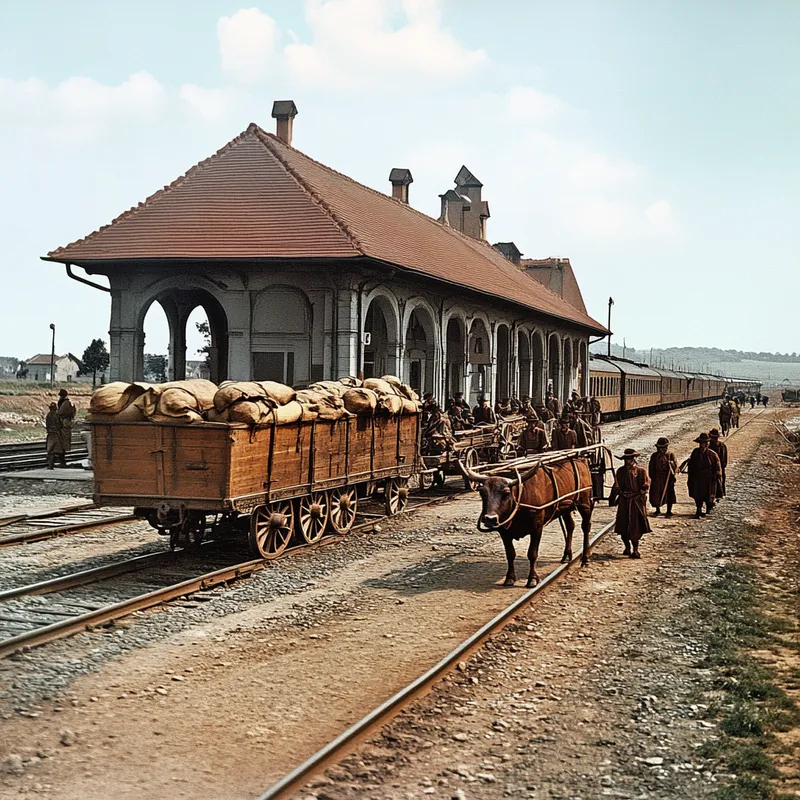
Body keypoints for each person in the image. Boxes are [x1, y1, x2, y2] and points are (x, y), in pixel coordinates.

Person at [608, 448, 651, 558]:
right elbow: (616, 486)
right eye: (627, 459)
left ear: (634, 459)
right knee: (623, 525)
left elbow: (646, 484)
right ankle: (627, 547)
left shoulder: (641, 471)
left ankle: (635, 549)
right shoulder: (620, 472)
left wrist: (643, 490)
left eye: (630, 459)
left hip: (636, 502)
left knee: (636, 527)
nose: (629, 461)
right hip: (624, 502)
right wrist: (613, 497)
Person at [687, 432, 722, 518]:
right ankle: (698, 510)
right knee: (697, 494)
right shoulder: (695, 452)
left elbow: (717, 467)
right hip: (697, 477)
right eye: (702, 443)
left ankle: (708, 508)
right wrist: (690, 475)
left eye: (705, 443)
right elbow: (691, 464)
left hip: (708, 478)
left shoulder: (712, 454)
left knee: (708, 494)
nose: (704, 445)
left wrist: (717, 475)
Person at [648, 436, 678, 517]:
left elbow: (675, 466)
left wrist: (673, 473)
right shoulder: (654, 456)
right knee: (656, 494)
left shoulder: (670, 455)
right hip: (657, 477)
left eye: (664, 448)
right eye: (660, 448)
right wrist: (652, 476)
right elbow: (651, 467)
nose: (662, 450)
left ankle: (669, 511)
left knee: (669, 494)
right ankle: (657, 510)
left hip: (668, 478)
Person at [56, 388, 77, 463]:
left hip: (64, 424)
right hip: (64, 424)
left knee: (63, 441)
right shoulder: (67, 402)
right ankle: (61, 456)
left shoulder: (65, 403)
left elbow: (60, 412)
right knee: (62, 441)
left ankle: (61, 457)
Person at [708, 428, 728, 498]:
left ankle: (720, 494)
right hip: (709, 469)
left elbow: (724, 459)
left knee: (720, 482)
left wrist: (719, 467)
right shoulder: (708, 447)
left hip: (719, 468)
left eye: (715, 438)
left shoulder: (722, 446)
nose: (713, 439)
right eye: (712, 438)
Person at [45, 402, 64, 469]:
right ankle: (62, 463)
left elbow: (47, 425)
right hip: (56, 434)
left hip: (50, 434)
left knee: (50, 450)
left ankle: (50, 465)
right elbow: (61, 425)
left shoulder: (48, 415)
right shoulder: (57, 415)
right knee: (59, 450)